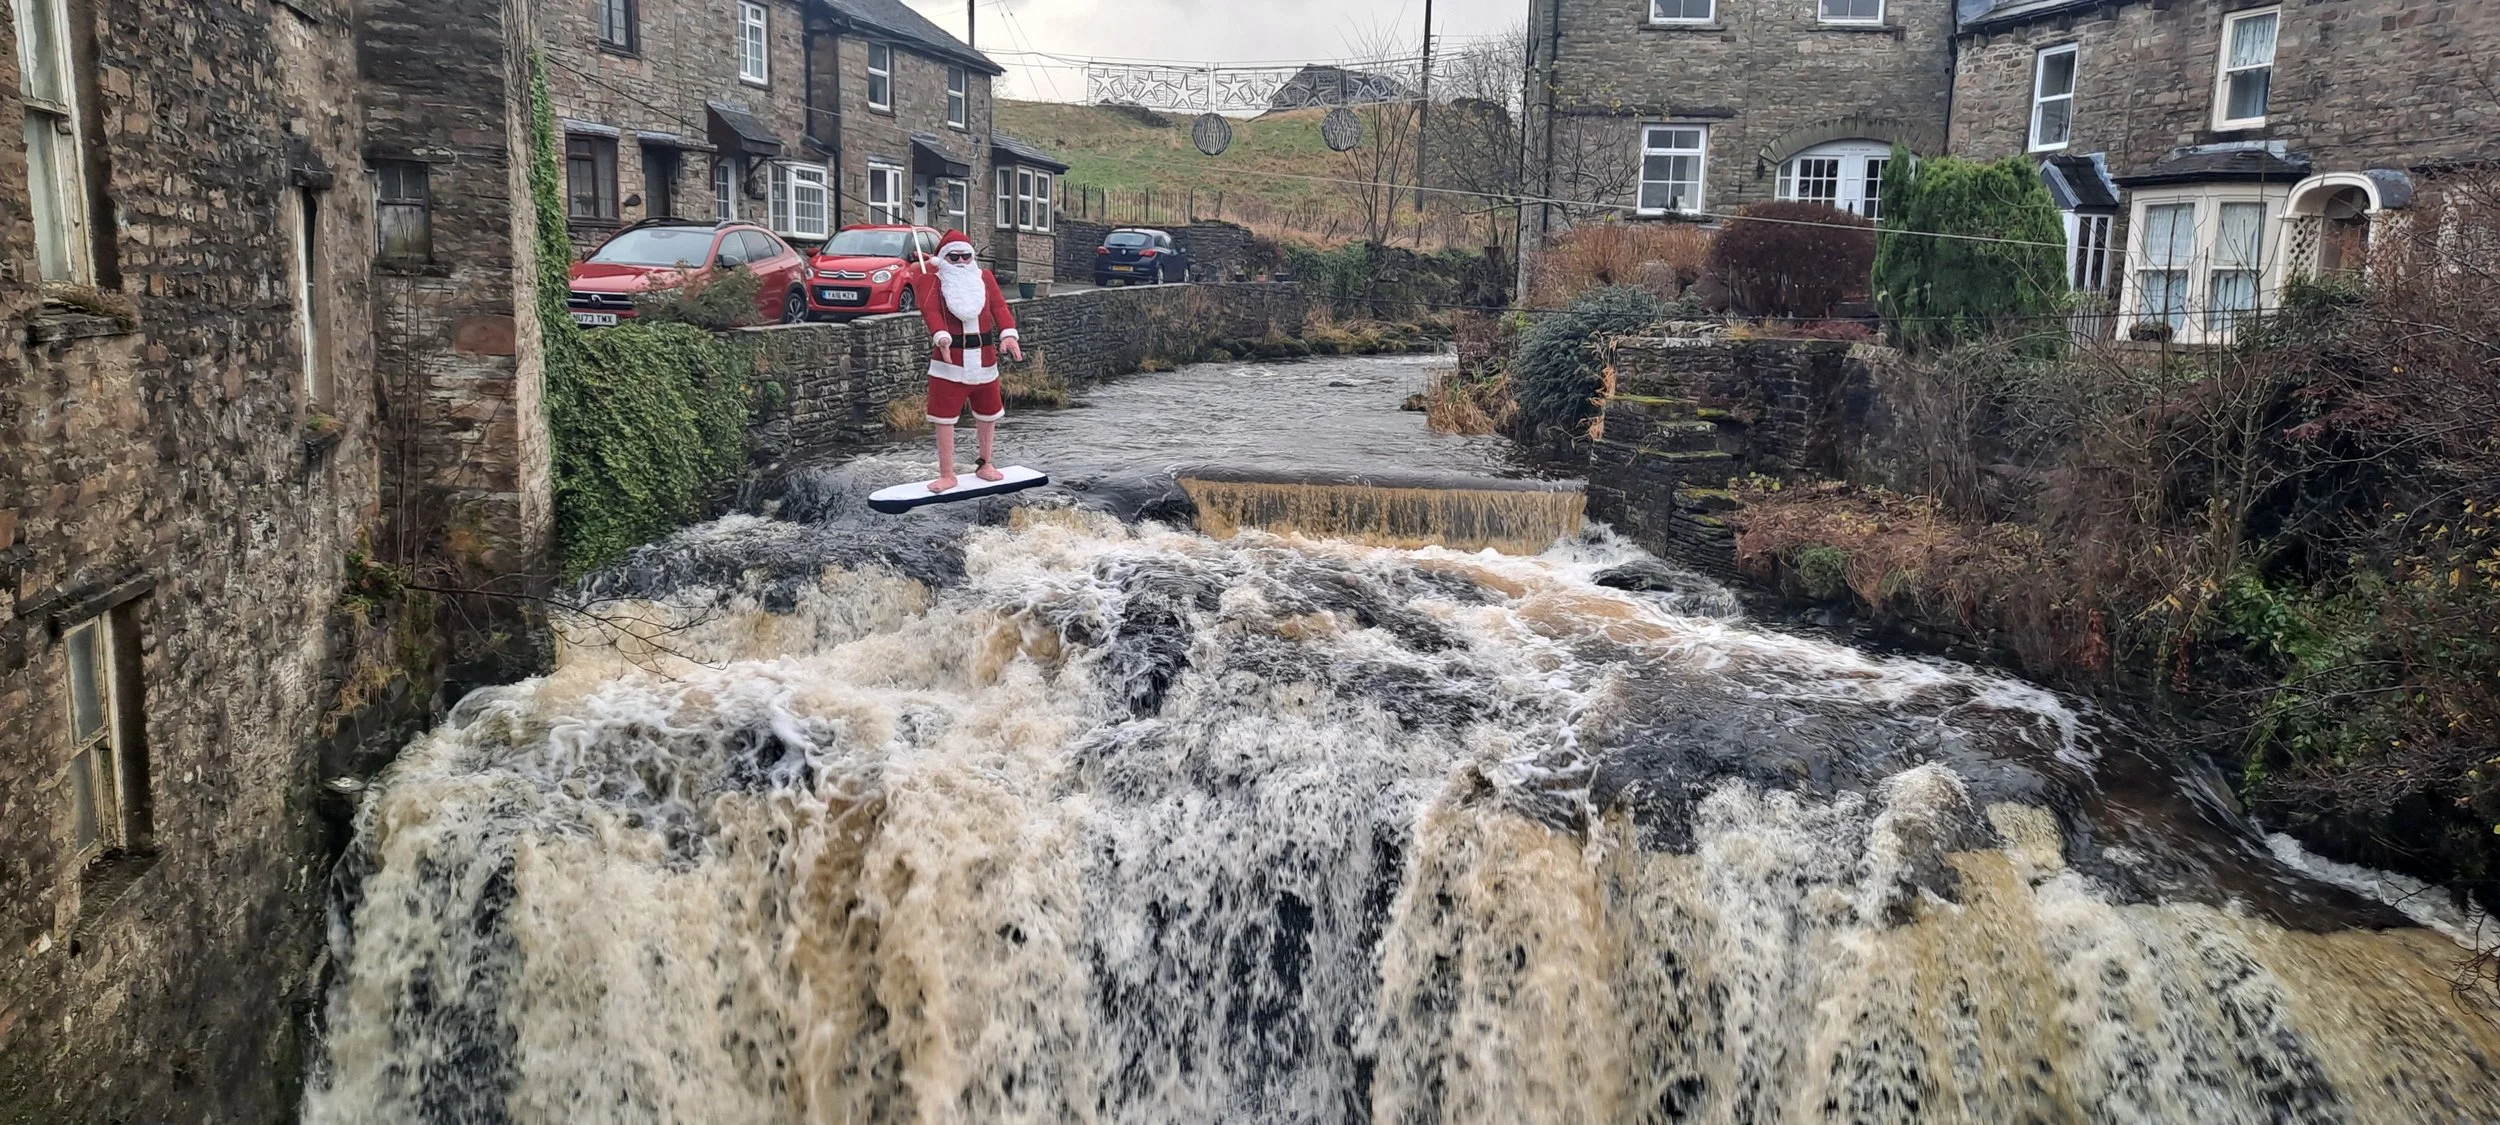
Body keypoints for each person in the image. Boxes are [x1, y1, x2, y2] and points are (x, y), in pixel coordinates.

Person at [911, 231, 1025, 493]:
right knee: (944, 417)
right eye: (954, 257)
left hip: (985, 361)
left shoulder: (984, 278)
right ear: (943, 259)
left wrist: (1009, 335)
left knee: (989, 414)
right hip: (949, 363)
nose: (961, 261)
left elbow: (999, 307)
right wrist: (941, 338)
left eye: (966, 256)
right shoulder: (932, 281)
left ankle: (986, 463)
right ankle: (947, 473)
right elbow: (931, 313)